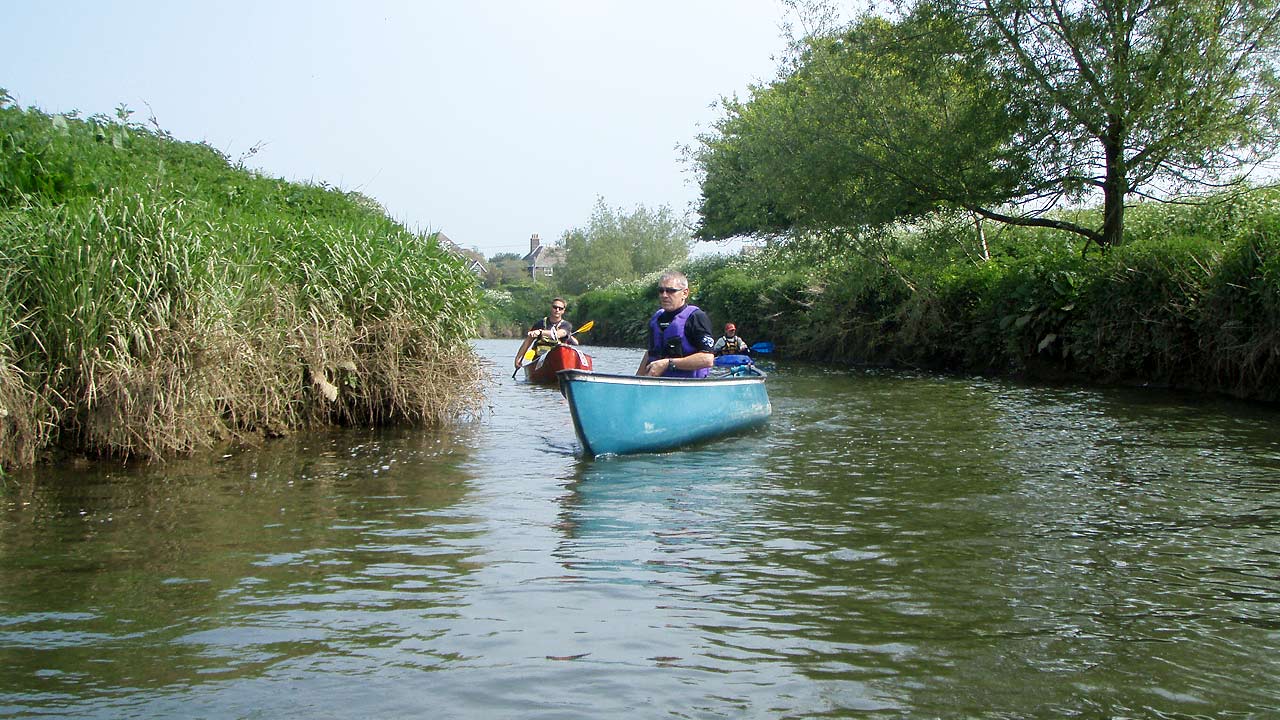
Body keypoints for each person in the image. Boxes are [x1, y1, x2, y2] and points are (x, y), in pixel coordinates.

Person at [636, 271, 716, 378]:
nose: (664, 295)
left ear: (685, 293)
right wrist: (637, 380)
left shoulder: (696, 317)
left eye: (670, 291)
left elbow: (707, 359)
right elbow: (650, 353)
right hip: (658, 387)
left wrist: (668, 364)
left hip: (689, 387)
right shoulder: (656, 319)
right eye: (661, 291)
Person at [514, 298, 578, 369]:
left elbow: (557, 334)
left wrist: (540, 332)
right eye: (555, 307)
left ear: (563, 311)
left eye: (560, 308)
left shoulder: (566, 325)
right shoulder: (540, 324)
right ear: (551, 308)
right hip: (539, 360)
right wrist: (517, 358)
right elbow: (527, 342)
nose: (557, 310)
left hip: (557, 359)